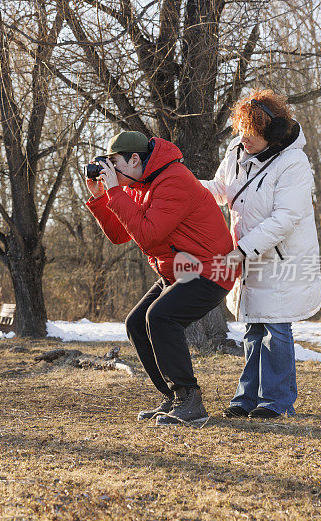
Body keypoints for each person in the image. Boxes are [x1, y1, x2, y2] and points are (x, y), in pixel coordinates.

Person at [85, 131, 238, 425]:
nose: (110, 170)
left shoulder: (173, 179)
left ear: (134, 159)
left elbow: (148, 234)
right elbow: (119, 235)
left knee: (160, 317)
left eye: (113, 162)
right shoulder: (135, 184)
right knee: (136, 323)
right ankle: (175, 398)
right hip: (179, 271)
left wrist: (115, 191)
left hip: (211, 269)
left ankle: (190, 400)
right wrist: (101, 198)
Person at [201, 89, 321, 419]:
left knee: (276, 327)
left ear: (272, 134)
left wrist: (242, 250)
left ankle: (276, 401)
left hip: (282, 258)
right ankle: (247, 398)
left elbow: (285, 218)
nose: (244, 139)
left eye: (252, 134)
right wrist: (181, 186)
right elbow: (219, 191)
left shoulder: (294, 163)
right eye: (241, 131)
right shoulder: (235, 150)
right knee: (253, 326)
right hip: (247, 256)